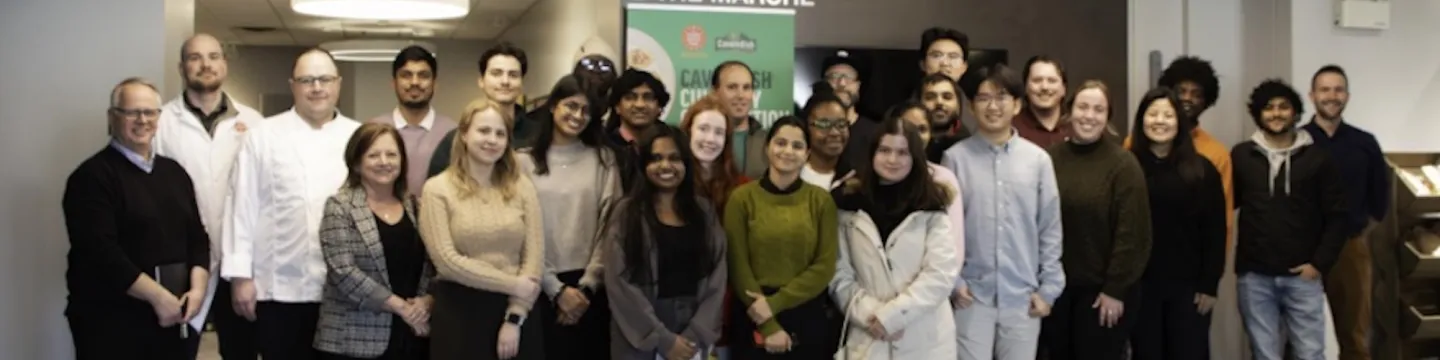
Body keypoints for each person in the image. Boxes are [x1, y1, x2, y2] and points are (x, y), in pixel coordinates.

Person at [226, 48, 361, 360]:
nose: (316, 88)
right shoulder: (262, 135)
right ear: (293, 85)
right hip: (278, 288)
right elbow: (241, 207)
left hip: (341, 290)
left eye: (325, 79)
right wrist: (240, 276)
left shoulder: (357, 135)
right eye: (307, 80)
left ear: (338, 84)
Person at [64, 77, 209, 360]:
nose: (142, 120)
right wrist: (158, 297)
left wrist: (198, 291)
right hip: (112, 323)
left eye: (150, 112)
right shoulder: (91, 177)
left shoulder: (175, 173)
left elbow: (198, 237)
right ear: (112, 117)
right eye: (131, 112)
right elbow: (101, 253)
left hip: (174, 317)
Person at [151, 33, 264, 360]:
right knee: (178, 347)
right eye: (195, 57)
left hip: (238, 260)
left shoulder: (253, 123)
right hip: (182, 258)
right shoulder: (162, 122)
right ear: (181, 67)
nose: (205, 65)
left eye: (213, 56)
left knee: (240, 349)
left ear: (224, 64)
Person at [942, 64, 1064, 360]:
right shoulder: (954, 159)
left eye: (1002, 97)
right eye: (983, 98)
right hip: (970, 297)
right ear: (970, 106)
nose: (993, 106)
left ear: (1018, 104)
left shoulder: (1038, 161)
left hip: (1022, 298)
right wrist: (955, 283)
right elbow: (943, 230)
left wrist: (1048, 289)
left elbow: (1049, 227)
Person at [419, 98, 546, 360]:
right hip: (461, 316)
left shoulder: (522, 186)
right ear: (464, 134)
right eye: (483, 131)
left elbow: (534, 257)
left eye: (500, 133)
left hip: (516, 313)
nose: (492, 140)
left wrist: (515, 317)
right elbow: (446, 261)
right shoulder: (437, 189)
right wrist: (512, 284)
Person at [1232, 79, 1347, 360]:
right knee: (1264, 354)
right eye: (1268, 108)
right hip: (1255, 278)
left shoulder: (1318, 159)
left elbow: (1338, 216)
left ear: (1295, 113)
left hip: (1302, 279)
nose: (1276, 114)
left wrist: (1319, 264)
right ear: (1258, 114)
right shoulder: (1241, 155)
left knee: (1310, 353)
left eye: (1284, 107)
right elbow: (1225, 207)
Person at [829, 116, 959, 359]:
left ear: (915, 158)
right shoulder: (847, 204)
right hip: (868, 335)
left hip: (925, 339)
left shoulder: (931, 206)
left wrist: (893, 317)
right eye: (885, 150)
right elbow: (839, 275)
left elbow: (940, 274)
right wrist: (872, 316)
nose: (892, 160)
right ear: (872, 153)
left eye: (902, 152)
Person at [1040, 80, 1152, 360]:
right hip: (1057, 291)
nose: (1089, 116)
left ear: (1107, 117)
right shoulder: (1048, 160)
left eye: (1098, 109)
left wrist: (1115, 289)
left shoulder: (1123, 164)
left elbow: (1133, 235)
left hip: (1103, 295)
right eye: (1083, 107)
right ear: (1069, 111)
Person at [515, 75, 621, 359]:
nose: (577, 116)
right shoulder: (522, 162)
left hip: (592, 289)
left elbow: (611, 228)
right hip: (538, 284)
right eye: (571, 106)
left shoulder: (604, 160)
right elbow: (519, 229)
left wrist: (586, 288)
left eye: (586, 111)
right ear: (552, 106)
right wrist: (556, 289)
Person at [604, 125, 729, 360]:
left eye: (674, 158)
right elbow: (619, 283)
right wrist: (664, 340)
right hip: (638, 336)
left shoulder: (704, 211)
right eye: (656, 158)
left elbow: (717, 277)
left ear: (686, 164)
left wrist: (695, 335)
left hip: (694, 331)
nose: (665, 166)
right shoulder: (625, 213)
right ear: (643, 165)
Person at [314, 123, 435, 360]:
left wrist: (426, 302)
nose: (384, 161)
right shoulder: (340, 207)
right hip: (353, 339)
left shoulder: (415, 206)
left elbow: (431, 264)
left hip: (411, 333)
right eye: (373, 155)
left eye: (391, 154)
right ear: (357, 163)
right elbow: (344, 272)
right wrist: (402, 308)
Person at [725, 116, 841, 358]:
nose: (788, 151)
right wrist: (767, 324)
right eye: (780, 143)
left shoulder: (821, 201)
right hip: (753, 313)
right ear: (767, 148)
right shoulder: (741, 198)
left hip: (805, 314)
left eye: (797, 146)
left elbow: (824, 266)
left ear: (808, 153)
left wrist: (775, 304)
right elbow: (737, 265)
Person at [1128, 87, 1227, 360]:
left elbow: (1216, 231)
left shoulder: (1202, 170)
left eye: (1168, 115)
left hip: (1189, 289)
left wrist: (1210, 284)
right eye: (1153, 114)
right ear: (1141, 119)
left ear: (1179, 122)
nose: (1160, 121)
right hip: (1140, 287)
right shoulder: (1127, 166)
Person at [1301, 64, 1388, 360]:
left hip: (1349, 248)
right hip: (1303, 251)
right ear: (1312, 95)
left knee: (1355, 336)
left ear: (1347, 96)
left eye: (1338, 89)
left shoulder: (1364, 143)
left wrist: (1359, 234)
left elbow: (1380, 200)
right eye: (1324, 89)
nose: (1332, 96)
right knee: (1297, 337)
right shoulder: (1298, 142)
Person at [1126, 56, 1234, 249]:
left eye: (1196, 94)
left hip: (1188, 262)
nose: (1187, 98)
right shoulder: (1133, 145)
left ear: (1206, 100)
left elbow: (1220, 221)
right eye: (1181, 91)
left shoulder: (1216, 153)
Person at [889, 101, 967, 280]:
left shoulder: (943, 179)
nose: (914, 136)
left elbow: (954, 251)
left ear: (931, 134)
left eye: (922, 129)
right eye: (907, 128)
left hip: (932, 290)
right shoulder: (878, 175)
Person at [428, 42, 530, 176]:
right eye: (496, 73)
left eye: (513, 75)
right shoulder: (457, 137)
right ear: (481, 81)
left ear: (521, 83)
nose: (505, 81)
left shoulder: (539, 135)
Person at [368, 45, 456, 198]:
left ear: (435, 83)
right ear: (393, 83)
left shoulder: (453, 132)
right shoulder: (373, 130)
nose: (415, 82)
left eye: (423, 75)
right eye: (406, 75)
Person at [604, 69, 669, 191]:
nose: (640, 105)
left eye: (648, 97)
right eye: (630, 97)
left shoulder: (673, 145)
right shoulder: (605, 148)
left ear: (659, 107)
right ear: (617, 107)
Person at [710, 61, 769, 179]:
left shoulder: (769, 141)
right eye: (732, 87)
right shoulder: (700, 139)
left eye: (746, 87)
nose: (740, 95)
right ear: (715, 93)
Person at [820, 52, 879, 169]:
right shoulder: (811, 129)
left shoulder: (876, 133)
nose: (841, 84)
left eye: (849, 77)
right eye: (834, 77)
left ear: (858, 86)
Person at [799, 82, 854, 190]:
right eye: (824, 124)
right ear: (806, 128)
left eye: (841, 124)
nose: (835, 132)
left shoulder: (856, 180)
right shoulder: (790, 175)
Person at [1014, 56, 1070, 148]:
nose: (1044, 87)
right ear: (1025, 88)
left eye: (1052, 81)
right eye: (1037, 80)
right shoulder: (1011, 129)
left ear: (1063, 89)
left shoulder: (1077, 126)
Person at [915, 74, 971, 162]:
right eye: (930, 97)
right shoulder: (908, 142)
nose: (939, 102)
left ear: (958, 104)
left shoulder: (969, 145)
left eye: (947, 97)